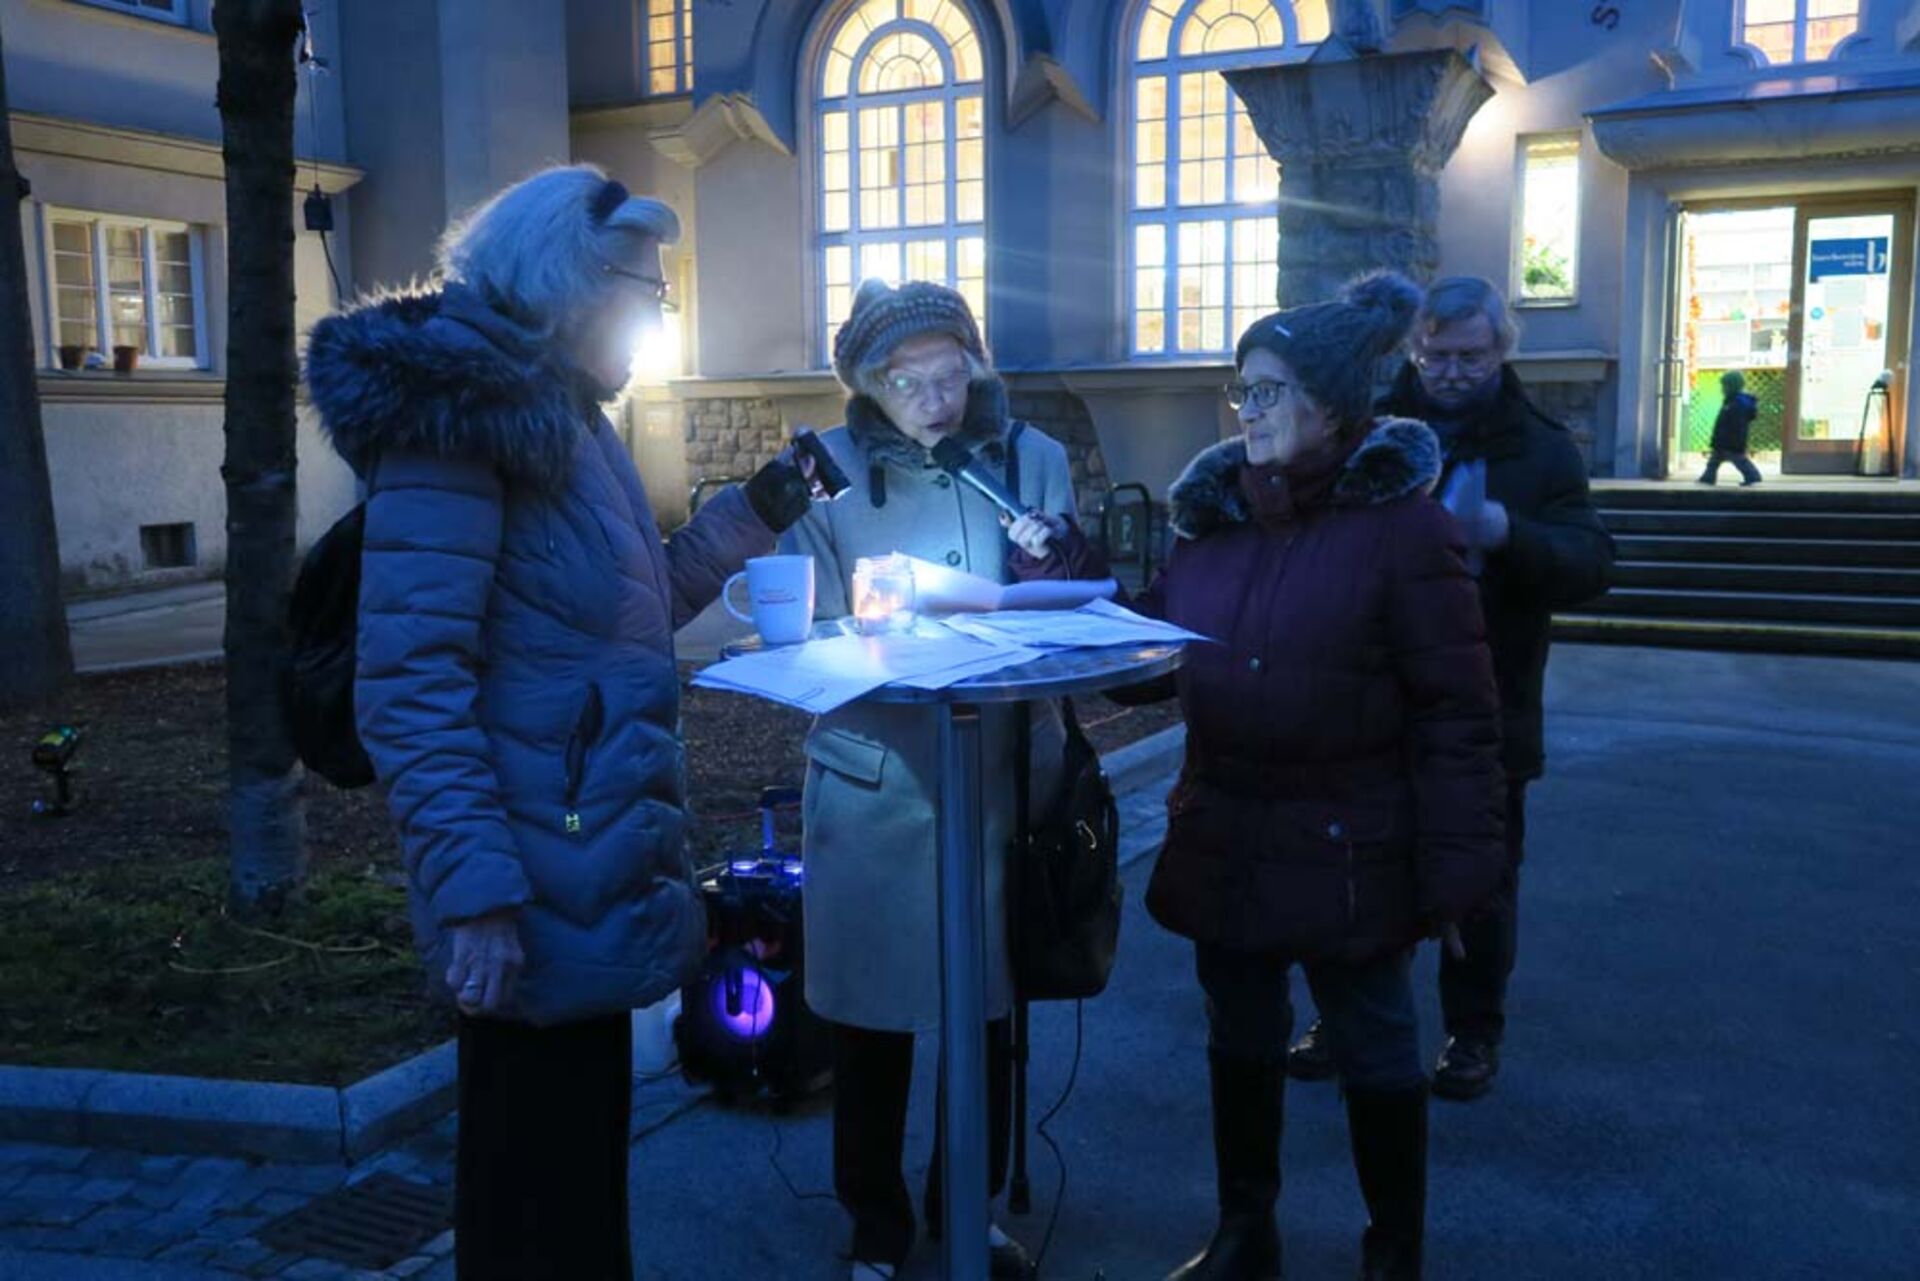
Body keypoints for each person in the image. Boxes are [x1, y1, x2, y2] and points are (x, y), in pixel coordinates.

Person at [305, 165, 818, 1280]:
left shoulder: (569, 422)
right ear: (564, 284)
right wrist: (477, 896)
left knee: (573, 1183)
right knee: (532, 1199)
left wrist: (757, 509)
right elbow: (410, 683)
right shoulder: (463, 430)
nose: (658, 315)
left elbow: (631, 608)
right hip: (527, 882)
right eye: (644, 291)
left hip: (584, 859)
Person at [1114, 272, 1508, 1281]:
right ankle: (1248, 1234)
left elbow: (1458, 716)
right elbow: (1153, 654)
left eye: (1272, 391)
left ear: (1334, 405)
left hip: (1352, 846)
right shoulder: (1215, 526)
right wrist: (1060, 582)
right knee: (1240, 1040)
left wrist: (1461, 872)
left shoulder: (1406, 531)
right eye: (1242, 391)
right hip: (1228, 835)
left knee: (1376, 1050)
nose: (1249, 412)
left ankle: (1393, 1255)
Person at [779, 279, 1102, 1281]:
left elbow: (1066, 611)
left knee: (989, 1012)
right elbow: (801, 627)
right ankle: (873, 1219)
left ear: (976, 361)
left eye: (949, 370)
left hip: (1001, 777)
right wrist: (871, 625)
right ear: (868, 384)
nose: (933, 394)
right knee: (875, 1020)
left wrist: (1049, 574)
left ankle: (970, 1205)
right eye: (905, 377)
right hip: (881, 778)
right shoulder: (820, 473)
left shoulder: (1032, 459)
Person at [1290, 276, 1616, 1101]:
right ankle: (1350, 1014)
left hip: (1488, 703)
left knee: (1481, 880)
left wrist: (1510, 533)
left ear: (1502, 349)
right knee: (1359, 871)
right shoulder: (1365, 432)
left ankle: (1474, 1033)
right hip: (1372, 698)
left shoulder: (1541, 449)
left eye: (1470, 354)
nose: (1451, 370)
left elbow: (1592, 563)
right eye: (1435, 354)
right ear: (1413, 349)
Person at [1698, 370, 1764, 485]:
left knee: (1736, 460)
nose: (1722, 389)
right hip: (1729, 440)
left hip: (1730, 440)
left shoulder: (1736, 403)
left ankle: (1753, 475)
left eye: (1724, 386)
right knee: (1716, 460)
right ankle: (1708, 477)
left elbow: (1732, 423)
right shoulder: (1734, 401)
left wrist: (1722, 437)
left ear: (1731, 386)